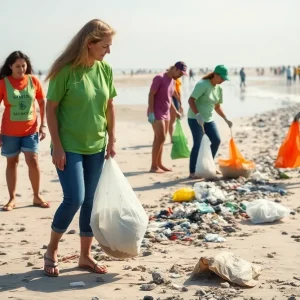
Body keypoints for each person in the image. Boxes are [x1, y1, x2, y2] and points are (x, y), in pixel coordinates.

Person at [44, 19, 117, 277]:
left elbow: (109, 105)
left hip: (96, 144)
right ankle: (51, 250)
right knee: (74, 198)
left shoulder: (105, 70)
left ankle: (85, 256)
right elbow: (50, 109)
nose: (108, 51)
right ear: (90, 44)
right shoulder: (65, 71)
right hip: (69, 145)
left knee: (90, 202)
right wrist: (57, 147)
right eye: (105, 46)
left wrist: (112, 138)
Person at [0, 51, 49, 211]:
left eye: (23, 65)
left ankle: (36, 196)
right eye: (17, 66)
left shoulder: (33, 81)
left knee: (33, 161)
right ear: (10, 67)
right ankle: (12, 198)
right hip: (9, 132)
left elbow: (42, 103)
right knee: (12, 162)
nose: (21, 69)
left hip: (30, 130)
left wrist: (42, 125)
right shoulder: (3, 83)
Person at [187, 65, 233, 179]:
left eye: (224, 79)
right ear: (215, 74)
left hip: (208, 119)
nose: (223, 81)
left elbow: (217, 107)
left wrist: (226, 118)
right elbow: (191, 100)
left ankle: (208, 166)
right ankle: (193, 171)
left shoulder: (219, 88)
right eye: (221, 78)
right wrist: (197, 114)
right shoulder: (203, 84)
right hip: (195, 118)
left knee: (216, 140)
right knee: (198, 143)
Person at [147, 62, 186, 173]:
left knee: (160, 139)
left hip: (166, 112)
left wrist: (176, 111)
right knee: (161, 138)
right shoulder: (159, 78)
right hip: (156, 112)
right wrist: (151, 112)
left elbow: (169, 98)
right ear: (174, 68)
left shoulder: (173, 81)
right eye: (180, 72)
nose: (180, 75)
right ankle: (153, 166)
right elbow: (151, 94)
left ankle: (159, 164)